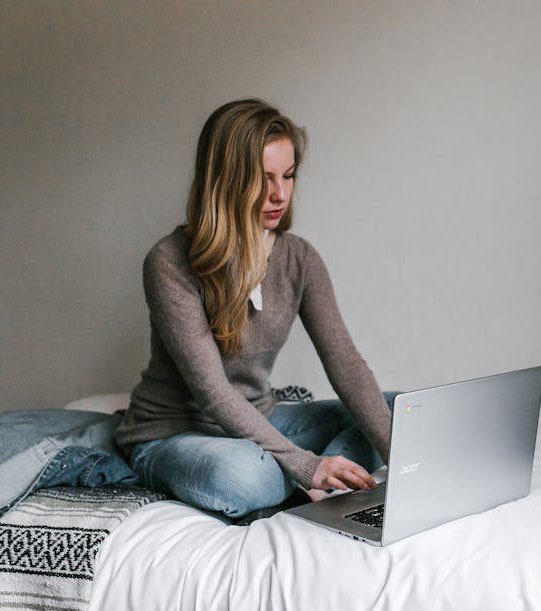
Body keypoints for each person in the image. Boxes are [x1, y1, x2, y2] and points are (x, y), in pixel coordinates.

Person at [114, 99, 393, 521]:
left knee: (401, 410)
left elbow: (346, 364)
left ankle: (332, 484)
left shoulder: (299, 258)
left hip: (263, 421)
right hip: (176, 434)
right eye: (262, 180)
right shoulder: (169, 262)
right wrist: (305, 465)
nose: (279, 194)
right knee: (244, 479)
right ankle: (314, 477)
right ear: (225, 180)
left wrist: (404, 458)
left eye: (288, 175)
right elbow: (213, 392)